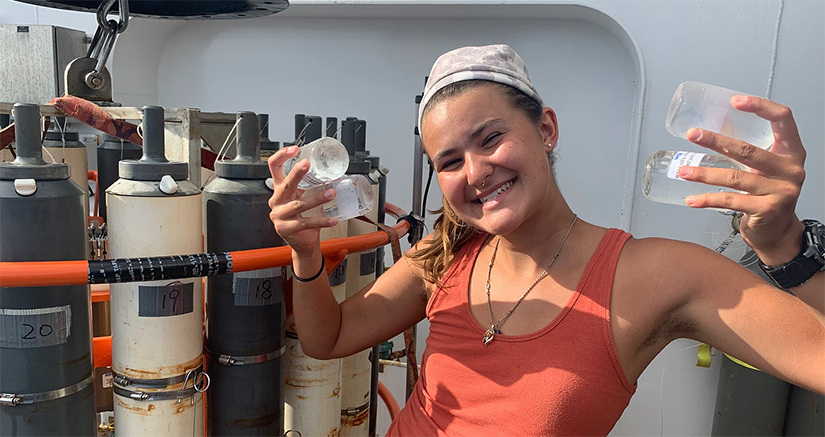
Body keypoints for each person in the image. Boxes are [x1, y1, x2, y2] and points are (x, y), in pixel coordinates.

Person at [267, 44, 824, 435]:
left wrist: (784, 245)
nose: (477, 171)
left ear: (546, 128)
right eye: (451, 161)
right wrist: (306, 253)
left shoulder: (650, 277)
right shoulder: (447, 254)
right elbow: (329, 338)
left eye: (491, 138)